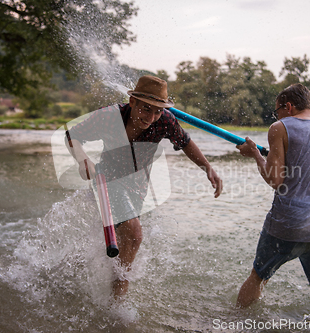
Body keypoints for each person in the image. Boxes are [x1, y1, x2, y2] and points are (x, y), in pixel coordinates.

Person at [65, 75, 223, 299]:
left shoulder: (165, 121)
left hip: (138, 188)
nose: (151, 117)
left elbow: (186, 142)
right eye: (146, 109)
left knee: (124, 243)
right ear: (132, 102)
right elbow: (72, 135)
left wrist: (208, 168)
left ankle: (85, 278)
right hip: (107, 180)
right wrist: (82, 159)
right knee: (135, 234)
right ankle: (118, 301)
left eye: (157, 111)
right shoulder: (109, 116)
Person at [235, 83, 310, 329]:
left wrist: (254, 153)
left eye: (277, 111)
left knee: (258, 278)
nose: (276, 117)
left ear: (288, 106)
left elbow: (275, 180)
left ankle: (234, 323)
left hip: (288, 225)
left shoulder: (280, 127)